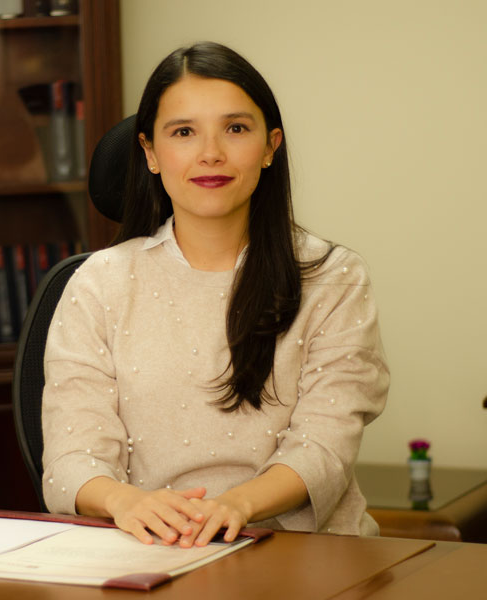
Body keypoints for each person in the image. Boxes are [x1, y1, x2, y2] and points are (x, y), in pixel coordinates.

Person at [41, 42, 389, 548]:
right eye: (184, 132)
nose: (211, 154)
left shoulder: (333, 277)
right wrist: (126, 501)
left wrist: (235, 506)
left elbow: (324, 446)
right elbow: (72, 457)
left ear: (270, 146)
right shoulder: (99, 283)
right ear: (150, 153)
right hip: (151, 551)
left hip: (306, 555)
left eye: (236, 129)